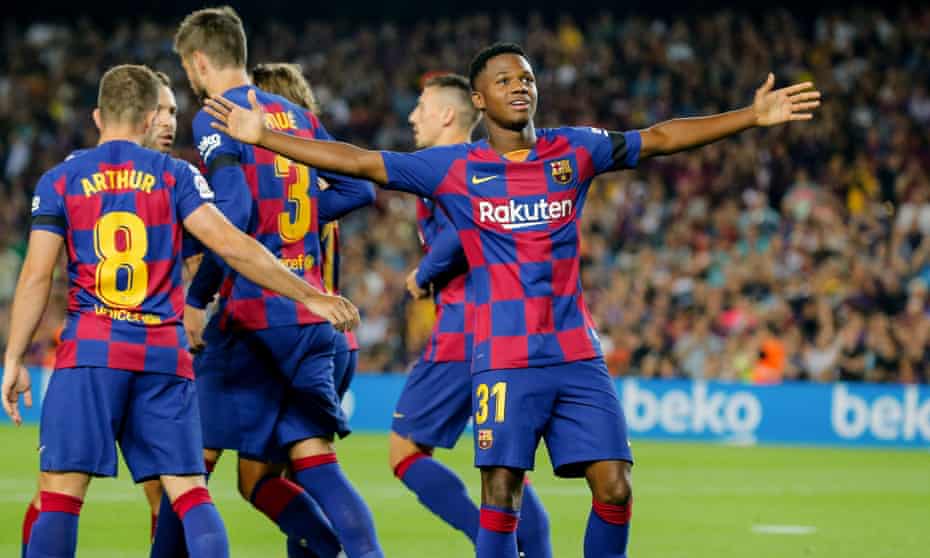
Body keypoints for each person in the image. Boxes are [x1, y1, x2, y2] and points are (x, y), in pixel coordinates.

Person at [204, 41, 822, 558]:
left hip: (576, 353)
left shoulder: (573, 149)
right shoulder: (453, 167)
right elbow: (362, 163)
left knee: (615, 487)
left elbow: (659, 138)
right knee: (501, 496)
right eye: (503, 80)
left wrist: (750, 116)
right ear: (480, 99)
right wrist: (267, 137)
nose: (519, 86)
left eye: (525, 77)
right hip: (503, 358)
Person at [1, 63, 358, 558]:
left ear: (99, 116)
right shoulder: (176, 175)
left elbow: (36, 276)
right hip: (162, 356)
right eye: (165, 113)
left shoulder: (61, 179)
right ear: (150, 117)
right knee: (190, 493)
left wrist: (14, 357)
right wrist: (308, 293)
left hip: (91, 352)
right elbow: (232, 244)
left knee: (60, 493)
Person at [153, 8, 383, 558]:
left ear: (199, 61)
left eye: (186, 66)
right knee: (313, 462)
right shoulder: (294, 116)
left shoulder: (216, 114)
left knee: (189, 468)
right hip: (311, 317)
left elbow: (233, 210)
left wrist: (190, 284)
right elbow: (360, 190)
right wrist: (292, 220)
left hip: (254, 316)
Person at [18, 70, 180, 556]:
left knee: (162, 493)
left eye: (174, 112)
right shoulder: (161, 179)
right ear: (142, 115)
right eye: (162, 111)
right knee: (57, 488)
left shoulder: (171, 177)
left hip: (125, 351)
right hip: (118, 347)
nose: (169, 122)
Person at [392, 73, 551, 556]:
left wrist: (426, 271)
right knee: (506, 467)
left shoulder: (453, 168)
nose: (412, 116)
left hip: (466, 328)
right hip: (507, 327)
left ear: (446, 115)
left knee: (404, 451)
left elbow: (467, 225)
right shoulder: (489, 164)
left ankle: (489, 545)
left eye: (421, 106)